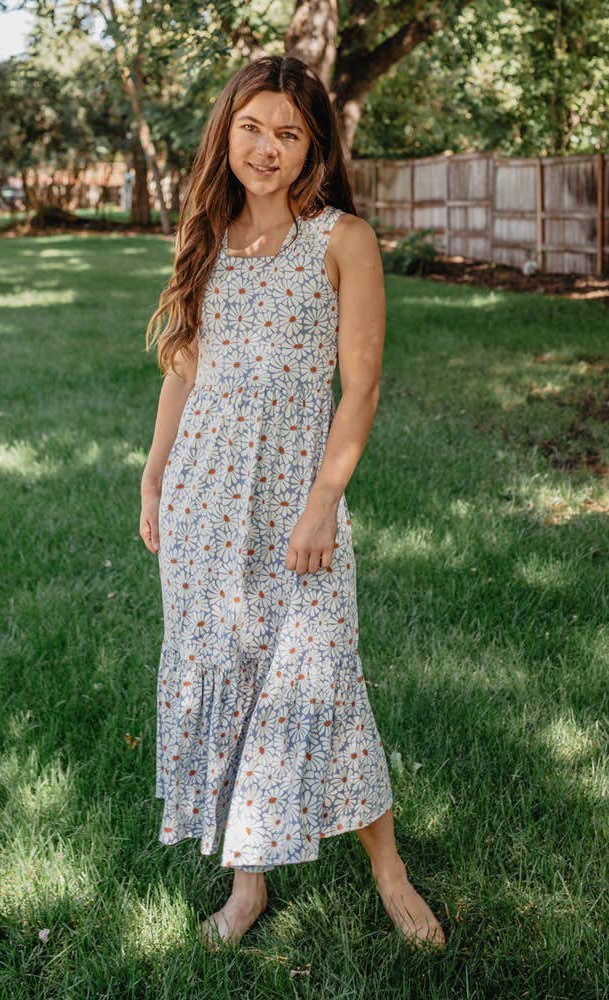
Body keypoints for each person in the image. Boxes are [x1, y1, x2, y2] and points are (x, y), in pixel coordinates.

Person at [140, 54, 445, 953]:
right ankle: (249, 884)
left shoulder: (342, 239)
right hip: (202, 497)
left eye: (288, 133)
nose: (266, 148)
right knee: (229, 671)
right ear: (225, 133)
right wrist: (154, 475)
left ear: (315, 147)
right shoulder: (206, 232)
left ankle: (390, 873)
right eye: (251, 128)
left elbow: (362, 388)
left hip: (293, 500)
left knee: (320, 672)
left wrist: (323, 502)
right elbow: (182, 372)